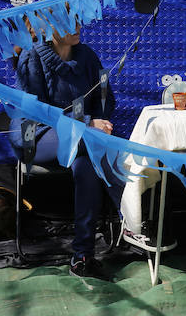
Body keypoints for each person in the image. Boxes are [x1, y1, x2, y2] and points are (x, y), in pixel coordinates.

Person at [11, 16, 135, 281]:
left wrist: (102, 121)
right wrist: (89, 123)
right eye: (69, 23)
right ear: (51, 26)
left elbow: (104, 96)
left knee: (87, 161)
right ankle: (131, 218)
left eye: (78, 21)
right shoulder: (31, 58)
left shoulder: (88, 56)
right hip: (36, 136)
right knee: (87, 143)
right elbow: (39, 114)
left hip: (82, 142)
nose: (78, 27)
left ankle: (83, 256)